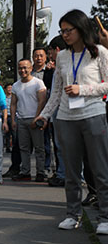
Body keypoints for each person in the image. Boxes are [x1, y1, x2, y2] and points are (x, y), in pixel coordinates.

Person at [34, 9, 108, 233]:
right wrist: (44, 115)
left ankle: (104, 217)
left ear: (81, 28)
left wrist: (83, 89)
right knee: (71, 172)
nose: (65, 35)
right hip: (66, 118)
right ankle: (72, 214)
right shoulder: (63, 57)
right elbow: (56, 92)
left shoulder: (100, 53)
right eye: (62, 31)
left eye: (69, 30)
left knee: (100, 170)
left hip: (93, 114)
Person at [10, 59, 47, 182]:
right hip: (21, 120)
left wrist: (37, 117)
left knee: (39, 148)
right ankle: (25, 172)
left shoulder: (38, 83)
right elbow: (13, 103)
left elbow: (42, 101)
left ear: (31, 68)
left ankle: (41, 172)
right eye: (20, 68)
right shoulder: (16, 85)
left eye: (25, 68)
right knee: (23, 148)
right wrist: (14, 120)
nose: (23, 70)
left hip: (35, 119)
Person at [46, 36, 68, 188]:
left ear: (57, 50)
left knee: (64, 147)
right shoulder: (57, 68)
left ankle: (66, 175)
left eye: (50, 52)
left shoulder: (67, 66)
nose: (50, 56)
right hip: (56, 111)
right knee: (59, 147)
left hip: (65, 111)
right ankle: (62, 174)